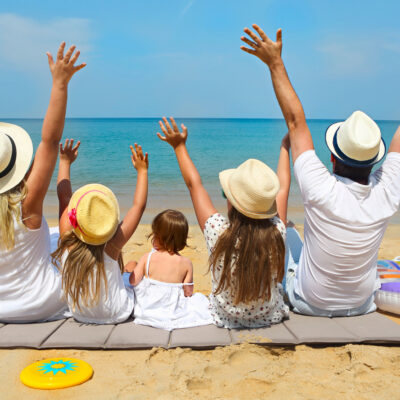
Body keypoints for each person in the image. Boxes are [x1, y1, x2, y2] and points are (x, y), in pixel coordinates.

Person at [241, 24, 400, 316]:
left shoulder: (319, 188)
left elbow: (295, 121)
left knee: (287, 233)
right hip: (361, 305)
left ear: (332, 157)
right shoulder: (389, 191)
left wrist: (275, 62)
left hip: (308, 303)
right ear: (375, 160)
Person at [157, 117, 289, 328]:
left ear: (232, 202)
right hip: (268, 316)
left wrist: (179, 147)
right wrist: (285, 148)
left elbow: (194, 185)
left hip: (225, 316)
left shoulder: (217, 231)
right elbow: (282, 189)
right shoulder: (277, 229)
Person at [0, 43, 85, 323]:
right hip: (42, 303)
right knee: (66, 243)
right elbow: (49, 141)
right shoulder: (27, 205)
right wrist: (60, 83)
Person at [52, 141, 148, 324]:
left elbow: (64, 200)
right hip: (118, 313)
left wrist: (64, 162)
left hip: (80, 314)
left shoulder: (68, 244)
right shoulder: (112, 247)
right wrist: (142, 171)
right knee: (132, 267)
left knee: (129, 266)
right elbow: (138, 207)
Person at [128, 209, 213, 330]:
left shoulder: (147, 257)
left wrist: (128, 273)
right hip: (172, 309)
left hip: (147, 309)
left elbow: (133, 281)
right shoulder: (186, 263)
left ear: (158, 236)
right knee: (199, 301)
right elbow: (188, 292)